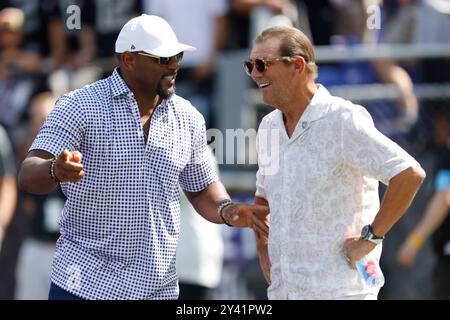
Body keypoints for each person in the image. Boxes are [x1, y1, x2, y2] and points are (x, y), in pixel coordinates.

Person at [17, 14, 268, 300]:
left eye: (178, 56)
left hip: (155, 290)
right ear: (128, 59)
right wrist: (54, 169)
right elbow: (28, 172)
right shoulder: (79, 105)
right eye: (163, 59)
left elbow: (201, 188)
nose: (174, 65)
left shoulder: (188, 118)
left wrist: (227, 210)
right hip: (83, 286)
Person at [247, 26, 426, 299]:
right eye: (250, 65)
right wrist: (263, 245)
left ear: (296, 65)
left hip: (341, 292)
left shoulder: (342, 119)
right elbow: (263, 196)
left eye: (262, 64)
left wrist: (371, 238)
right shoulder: (269, 126)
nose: (255, 74)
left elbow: (409, 174)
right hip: (285, 292)